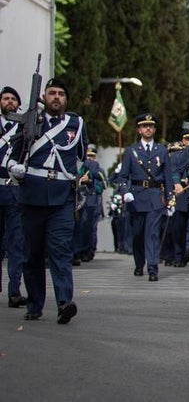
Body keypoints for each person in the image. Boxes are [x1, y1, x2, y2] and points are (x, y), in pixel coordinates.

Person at [4, 77, 87, 324]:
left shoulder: (76, 123)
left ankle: (64, 302)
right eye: (52, 93)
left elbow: (81, 154)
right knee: (33, 254)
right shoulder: (31, 120)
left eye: (61, 94)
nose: (57, 98)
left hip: (61, 196)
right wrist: (14, 168)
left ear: (66, 99)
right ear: (44, 96)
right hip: (31, 195)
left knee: (60, 250)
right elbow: (12, 154)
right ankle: (34, 304)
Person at [115, 113, 172, 282]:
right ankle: (139, 264)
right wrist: (125, 192)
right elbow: (122, 176)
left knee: (153, 234)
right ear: (139, 130)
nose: (148, 129)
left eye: (151, 126)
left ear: (154, 129)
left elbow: (168, 176)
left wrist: (169, 199)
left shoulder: (161, 150)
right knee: (138, 234)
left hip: (155, 197)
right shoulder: (132, 151)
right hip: (137, 197)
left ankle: (153, 267)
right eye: (144, 126)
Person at [0, 85, 28, 308]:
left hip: (15, 188)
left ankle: (14, 290)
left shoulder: (24, 128)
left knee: (16, 242)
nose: (9, 102)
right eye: (5, 98)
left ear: (19, 105)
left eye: (13, 99)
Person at [162, 131, 189, 267]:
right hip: (180, 194)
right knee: (177, 228)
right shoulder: (179, 156)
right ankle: (177, 255)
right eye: (187, 139)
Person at [72, 145, 105, 264]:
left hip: (87, 200)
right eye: (88, 155)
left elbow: (102, 182)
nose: (90, 157)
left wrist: (89, 178)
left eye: (92, 156)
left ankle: (80, 252)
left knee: (86, 227)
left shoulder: (92, 165)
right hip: (68, 197)